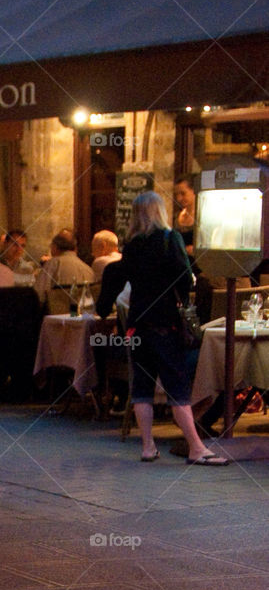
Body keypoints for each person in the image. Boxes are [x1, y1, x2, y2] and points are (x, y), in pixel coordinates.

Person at [96, 191, 228, 465]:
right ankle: (196, 448)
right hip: (166, 323)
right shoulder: (171, 239)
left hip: (137, 325)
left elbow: (117, 278)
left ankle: (147, 447)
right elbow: (185, 279)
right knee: (176, 387)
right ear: (160, 212)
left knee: (142, 388)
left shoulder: (131, 245)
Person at [35, 229, 96, 301]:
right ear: (75, 248)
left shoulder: (53, 264)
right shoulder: (88, 269)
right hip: (84, 311)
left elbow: (38, 295)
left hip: (56, 311)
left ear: (55, 247)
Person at [173, 174, 197, 256]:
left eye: (183, 194)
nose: (179, 198)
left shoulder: (204, 218)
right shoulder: (177, 217)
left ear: (195, 191)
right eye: (176, 194)